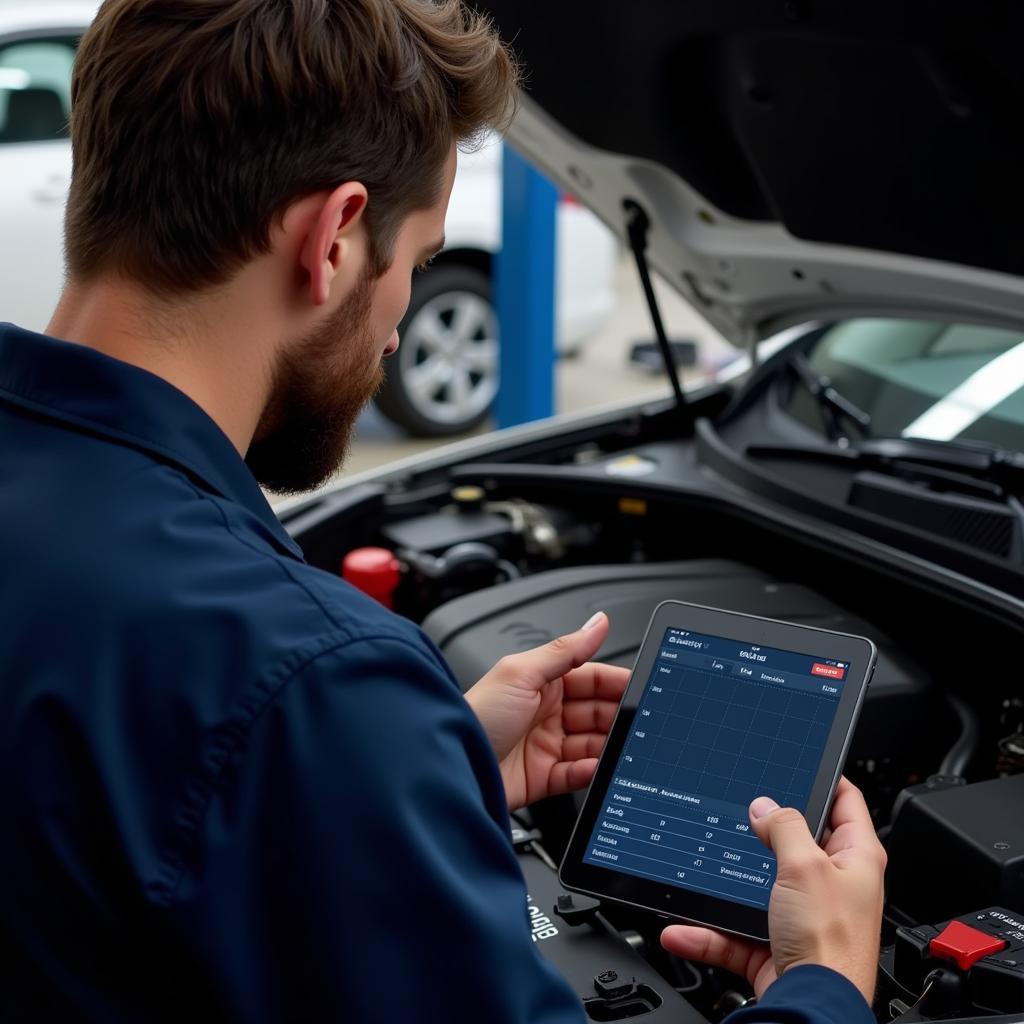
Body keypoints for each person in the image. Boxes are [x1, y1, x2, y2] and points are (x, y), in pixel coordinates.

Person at [0, 0, 886, 1020]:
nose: (397, 326)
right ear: (333, 237)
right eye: (417, 262)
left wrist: (412, 773)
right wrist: (823, 977)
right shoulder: (308, 681)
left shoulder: (295, 701)